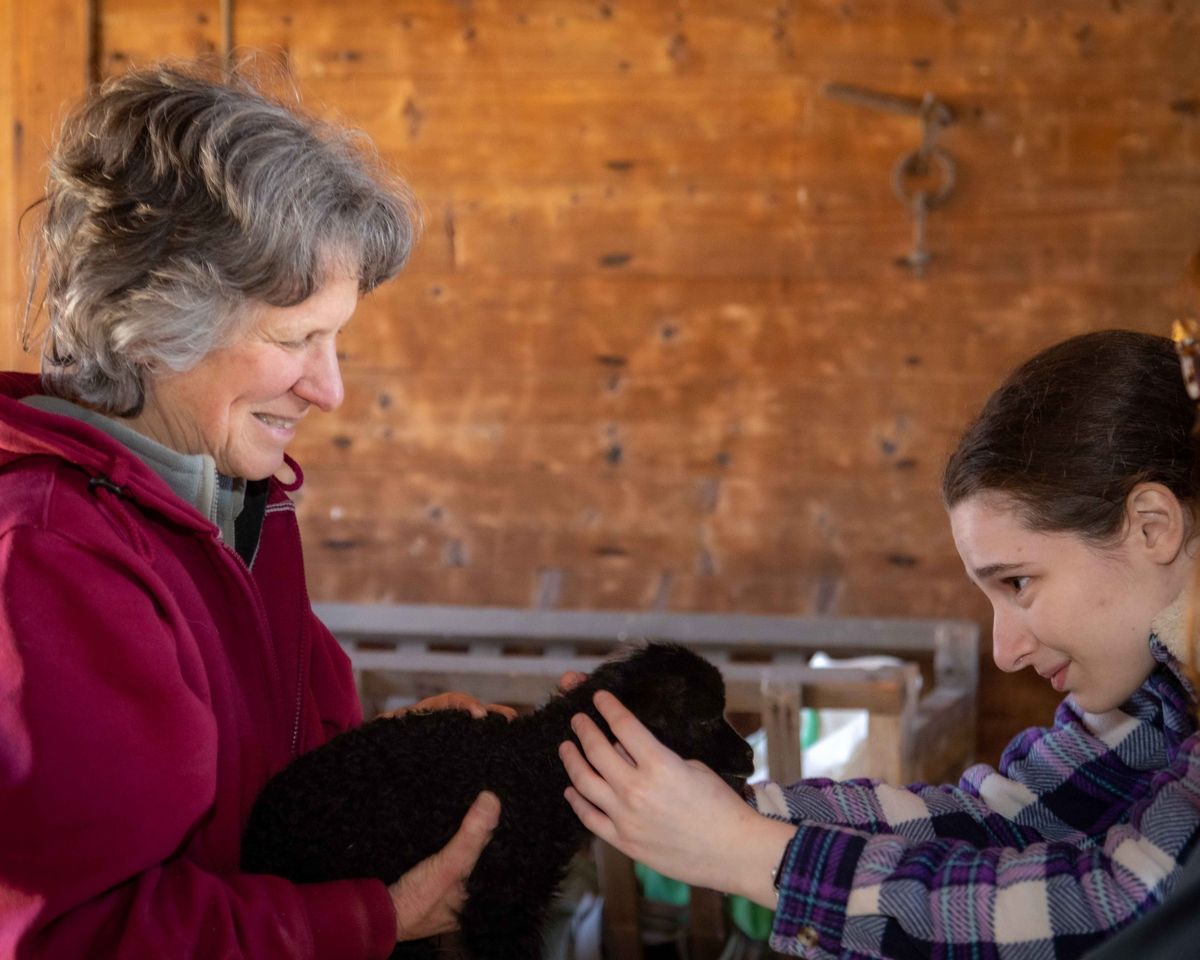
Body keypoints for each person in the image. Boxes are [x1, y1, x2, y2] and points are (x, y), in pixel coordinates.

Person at [0, 62, 509, 958]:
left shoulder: (236, 499)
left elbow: (255, 781)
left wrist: (380, 766)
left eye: (337, 337)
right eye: (295, 339)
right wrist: (371, 922)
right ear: (160, 323)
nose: (331, 388)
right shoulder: (46, 553)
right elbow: (73, 937)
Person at [560, 329, 1200, 959]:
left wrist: (748, 854)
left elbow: (1119, 917)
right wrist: (721, 802)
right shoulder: (1159, 689)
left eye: (1019, 582)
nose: (1005, 651)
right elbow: (1006, 817)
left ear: (1151, 527)